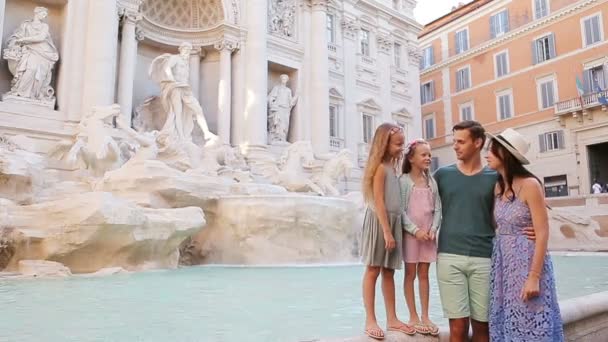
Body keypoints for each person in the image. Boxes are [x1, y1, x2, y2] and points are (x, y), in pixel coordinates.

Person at [485, 128, 564, 341]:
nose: (487, 154)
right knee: (506, 321)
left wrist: (533, 278)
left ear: (506, 155)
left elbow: (542, 232)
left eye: (492, 150)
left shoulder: (531, 185)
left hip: (527, 262)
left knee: (532, 321)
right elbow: (500, 225)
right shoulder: (498, 187)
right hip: (503, 265)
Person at [433, 121, 496, 342]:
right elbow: (421, 206)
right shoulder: (442, 175)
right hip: (449, 257)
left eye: (461, 141)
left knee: (483, 327)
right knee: (458, 328)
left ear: (478, 143)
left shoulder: (495, 177)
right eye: (454, 142)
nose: (455, 146)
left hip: (485, 258)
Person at [360, 123, 414, 340]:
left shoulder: (392, 168)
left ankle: (392, 318)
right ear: (385, 144)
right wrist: (387, 232)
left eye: (402, 143)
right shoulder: (380, 168)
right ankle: (370, 319)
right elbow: (379, 202)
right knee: (373, 269)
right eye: (398, 144)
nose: (402, 148)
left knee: (389, 271)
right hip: (380, 222)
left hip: (392, 221)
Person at [399, 139, 441, 336]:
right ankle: (413, 316)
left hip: (429, 236)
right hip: (411, 235)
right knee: (410, 274)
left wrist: (433, 228)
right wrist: (415, 230)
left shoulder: (431, 181)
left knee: (424, 275)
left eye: (429, 155)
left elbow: (438, 208)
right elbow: (400, 211)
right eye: (423, 155)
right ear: (411, 158)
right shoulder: (404, 181)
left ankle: (425, 315)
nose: (428, 158)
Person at [3, 6, 59, 101]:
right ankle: (20, 92)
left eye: (45, 15)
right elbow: (17, 35)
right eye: (43, 14)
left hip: (43, 51)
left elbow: (41, 38)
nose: (44, 16)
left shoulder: (44, 26)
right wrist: (16, 41)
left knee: (39, 73)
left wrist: (23, 40)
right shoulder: (26, 25)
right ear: (37, 13)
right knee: (30, 69)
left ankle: (35, 94)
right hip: (29, 50)